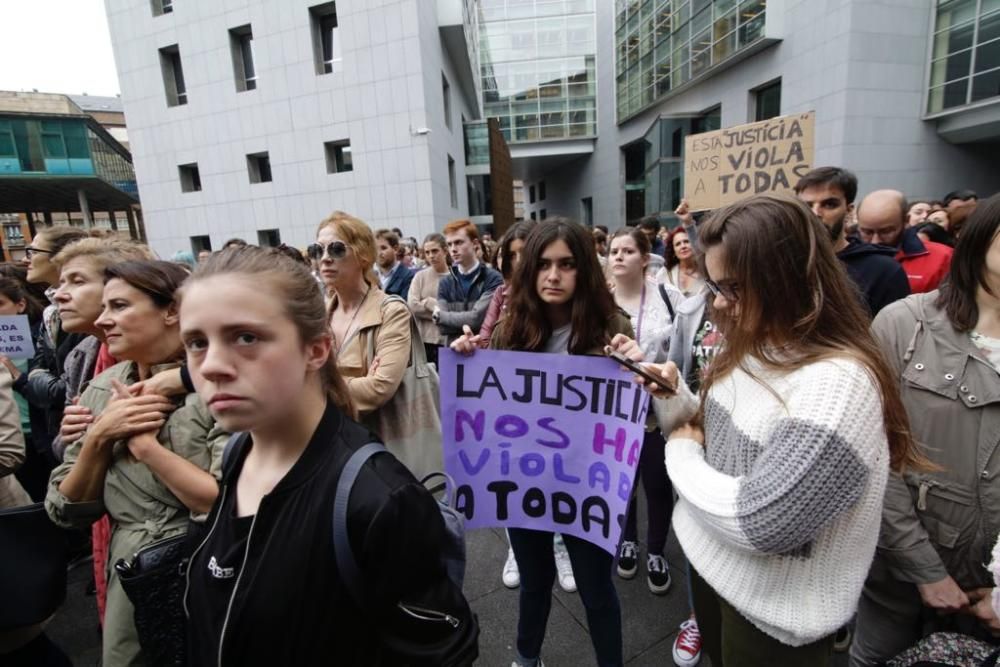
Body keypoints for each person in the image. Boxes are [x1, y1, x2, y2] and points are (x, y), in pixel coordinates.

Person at [615, 194, 922, 666]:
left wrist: (679, 452)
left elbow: (765, 521)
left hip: (772, 608)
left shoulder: (839, 384)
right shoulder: (755, 344)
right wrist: (675, 398)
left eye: (735, 288)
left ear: (787, 279)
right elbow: (720, 435)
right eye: (716, 286)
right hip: (715, 568)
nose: (720, 304)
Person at [180, 246, 479, 665]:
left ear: (317, 350)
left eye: (246, 337)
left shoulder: (378, 497)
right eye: (196, 342)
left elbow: (443, 649)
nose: (211, 365)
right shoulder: (237, 453)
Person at [452, 217, 633, 667]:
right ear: (530, 270)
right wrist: (469, 363)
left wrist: (638, 367)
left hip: (585, 482)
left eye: (567, 264)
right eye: (545, 265)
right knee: (534, 580)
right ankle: (526, 657)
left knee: (595, 588)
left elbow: (639, 410)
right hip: (526, 477)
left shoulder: (612, 325)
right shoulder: (510, 328)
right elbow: (491, 407)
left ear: (584, 270)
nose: (554, 276)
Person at [46, 260, 226, 666]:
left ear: (171, 311)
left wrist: (146, 447)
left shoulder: (222, 389)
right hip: (131, 573)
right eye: (105, 307)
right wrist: (98, 437)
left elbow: (225, 506)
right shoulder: (99, 392)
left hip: (211, 565)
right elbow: (64, 510)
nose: (104, 319)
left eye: (120, 306)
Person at [850, 194, 1000, 666]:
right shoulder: (904, 324)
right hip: (900, 573)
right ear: (981, 237)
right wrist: (924, 569)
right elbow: (875, 451)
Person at [608, 227, 682, 596]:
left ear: (644, 257)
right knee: (622, 485)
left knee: (655, 484)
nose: (618, 256)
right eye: (613, 250)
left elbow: (682, 352)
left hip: (656, 412)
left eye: (627, 251)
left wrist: (664, 375)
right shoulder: (598, 302)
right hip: (613, 413)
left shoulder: (669, 297)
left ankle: (655, 550)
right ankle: (627, 542)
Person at [313, 213, 412, 427]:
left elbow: (379, 388)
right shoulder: (318, 315)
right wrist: (357, 382)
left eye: (336, 249)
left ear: (363, 255)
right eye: (318, 250)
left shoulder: (391, 311)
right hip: (325, 437)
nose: (324, 258)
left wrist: (316, 387)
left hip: (375, 440)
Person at [796, 167, 910, 316]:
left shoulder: (883, 271)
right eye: (807, 206)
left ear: (849, 210)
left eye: (829, 204)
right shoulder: (785, 263)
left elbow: (894, 334)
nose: (815, 213)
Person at [857, 189, 953, 294]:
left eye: (886, 231)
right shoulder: (847, 258)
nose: (875, 241)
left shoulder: (943, 258)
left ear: (906, 221)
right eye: (867, 232)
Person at [433, 219, 503, 345]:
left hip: (483, 351)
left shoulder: (493, 278)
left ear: (475, 243)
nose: (453, 249)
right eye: (449, 244)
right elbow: (442, 328)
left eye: (458, 242)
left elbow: (477, 320)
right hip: (453, 351)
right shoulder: (445, 283)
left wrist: (441, 317)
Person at [408, 232, 450, 365]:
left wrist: (429, 303)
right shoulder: (420, 276)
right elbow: (413, 306)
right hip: (423, 341)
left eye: (435, 251)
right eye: (427, 252)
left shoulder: (454, 278)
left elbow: (456, 310)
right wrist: (439, 313)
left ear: (445, 251)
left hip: (447, 341)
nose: (431, 256)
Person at [660, 227, 705, 297]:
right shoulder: (665, 273)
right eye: (678, 244)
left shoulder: (706, 272)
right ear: (674, 251)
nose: (683, 246)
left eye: (686, 241)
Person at [373, 229, 415, 299]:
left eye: (383, 248)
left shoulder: (408, 276)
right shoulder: (371, 276)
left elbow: (404, 305)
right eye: (375, 249)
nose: (379, 253)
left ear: (395, 249)